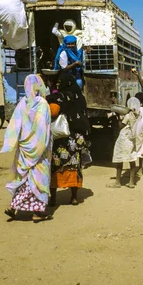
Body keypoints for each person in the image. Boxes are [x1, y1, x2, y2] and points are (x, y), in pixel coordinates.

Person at [2, 74, 53, 222]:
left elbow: (14, 125)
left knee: (23, 178)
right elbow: (44, 128)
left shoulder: (22, 103)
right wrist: (39, 146)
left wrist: (13, 143)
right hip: (39, 148)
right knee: (39, 179)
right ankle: (37, 212)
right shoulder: (42, 104)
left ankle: (13, 206)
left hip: (24, 149)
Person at [48, 74, 92, 207]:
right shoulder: (80, 97)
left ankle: (53, 199)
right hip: (76, 138)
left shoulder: (58, 98)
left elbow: (52, 112)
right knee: (74, 166)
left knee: (55, 167)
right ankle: (73, 198)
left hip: (61, 138)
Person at [108, 97, 143, 189]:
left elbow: (121, 126)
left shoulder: (128, 116)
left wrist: (117, 117)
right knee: (132, 160)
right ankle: (131, 182)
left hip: (124, 139)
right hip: (132, 140)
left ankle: (117, 182)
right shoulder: (139, 115)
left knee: (119, 160)